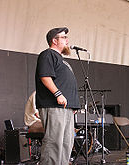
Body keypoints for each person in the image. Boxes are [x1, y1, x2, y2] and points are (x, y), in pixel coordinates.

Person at [35, 27, 80, 165]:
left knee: (66, 143)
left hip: (66, 108)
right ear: (54, 40)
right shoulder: (48, 54)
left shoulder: (61, 59)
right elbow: (45, 76)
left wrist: (73, 104)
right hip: (54, 105)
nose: (67, 40)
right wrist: (58, 94)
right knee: (54, 143)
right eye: (64, 37)